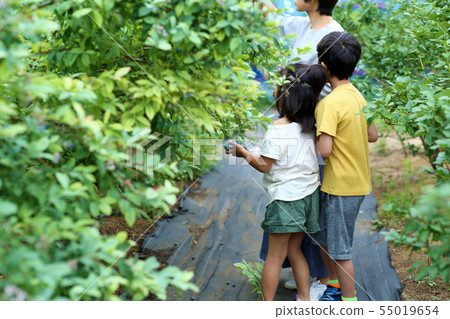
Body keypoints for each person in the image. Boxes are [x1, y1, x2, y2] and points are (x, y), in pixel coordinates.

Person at [256, 0, 343, 296]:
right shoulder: (301, 23)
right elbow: (271, 15)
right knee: (304, 205)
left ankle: (322, 280)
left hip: (314, 126)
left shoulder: (334, 37)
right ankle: (308, 287)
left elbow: (264, 164)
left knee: (300, 203)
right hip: (305, 127)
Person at [227, 63, 327, 301]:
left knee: (274, 256)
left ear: (285, 97)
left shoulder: (276, 128)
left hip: (285, 201)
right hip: (308, 198)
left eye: (275, 86)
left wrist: (243, 153)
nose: (273, 90)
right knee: (294, 251)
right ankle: (304, 300)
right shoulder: (310, 127)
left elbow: (264, 165)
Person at [314, 31, 378, 301]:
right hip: (355, 182)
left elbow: (325, 150)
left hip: (341, 186)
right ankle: (335, 287)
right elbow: (373, 135)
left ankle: (349, 302)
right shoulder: (357, 96)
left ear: (324, 66)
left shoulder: (329, 104)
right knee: (325, 240)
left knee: (340, 250)